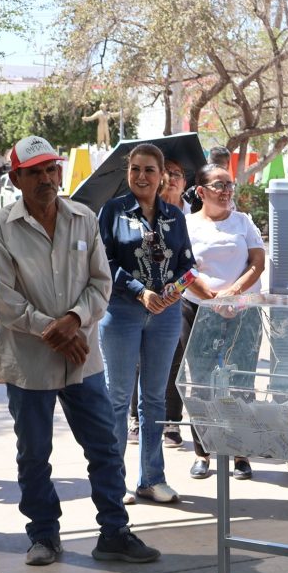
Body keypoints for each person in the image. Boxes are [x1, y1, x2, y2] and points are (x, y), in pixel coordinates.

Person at [0, 135, 161, 569]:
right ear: (16, 179)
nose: (46, 178)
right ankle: (43, 534)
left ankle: (114, 532)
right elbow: (2, 299)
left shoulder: (83, 218)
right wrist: (56, 330)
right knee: (34, 455)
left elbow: (101, 283)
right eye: (35, 172)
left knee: (104, 446)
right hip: (29, 362)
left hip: (83, 359)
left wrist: (74, 320)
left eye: (51, 169)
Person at [98, 143, 195, 504]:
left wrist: (174, 290)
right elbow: (103, 261)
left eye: (149, 170)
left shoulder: (175, 215)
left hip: (166, 315)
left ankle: (152, 478)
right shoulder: (113, 211)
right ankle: (113, 481)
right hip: (121, 312)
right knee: (117, 396)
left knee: (154, 399)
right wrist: (140, 292)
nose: (141, 176)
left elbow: (188, 264)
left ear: (162, 175)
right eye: (135, 169)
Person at [181, 164, 265, 480]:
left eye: (230, 184)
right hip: (198, 308)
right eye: (219, 185)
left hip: (242, 309)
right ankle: (203, 452)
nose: (227, 191)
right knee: (201, 381)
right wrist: (212, 299)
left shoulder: (243, 222)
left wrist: (233, 293)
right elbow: (182, 269)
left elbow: (258, 263)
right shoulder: (186, 224)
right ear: (201, 192)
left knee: (241, 381)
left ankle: (240, 452)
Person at [126, 158, 195, 448]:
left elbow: (190, 261)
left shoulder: (192, 213)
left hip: (181, 299)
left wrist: (179, 284)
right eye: (168, 173)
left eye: (178, 174)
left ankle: (171, 421)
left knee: (175, 361)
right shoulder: (140, 213)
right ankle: (136, 418)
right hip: (142, 297)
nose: (172, 179)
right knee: (140, 360)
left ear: (186, 181)